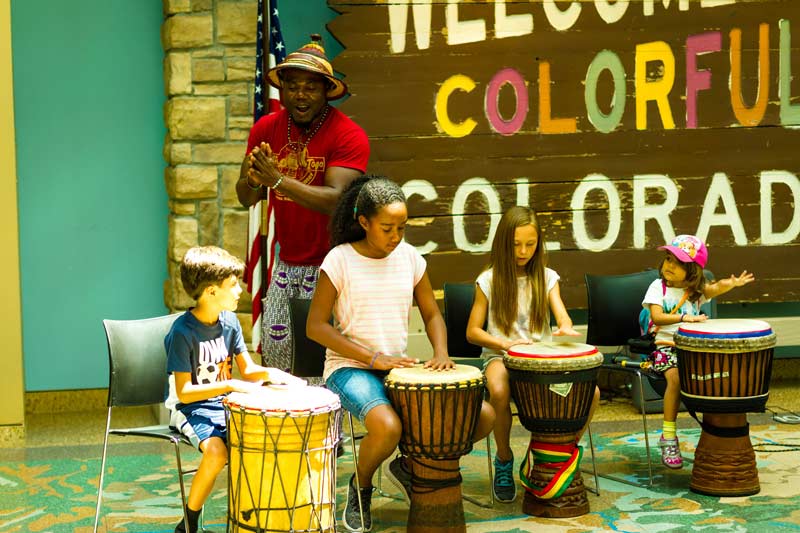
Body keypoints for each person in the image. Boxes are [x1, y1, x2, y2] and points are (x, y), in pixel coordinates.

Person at [306, 176, 495, 532]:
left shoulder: (410, 258)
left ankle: (408, 466)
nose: (396, 236)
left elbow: (432, 314)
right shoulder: (340, 260)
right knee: (388, 426)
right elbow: (316, 326)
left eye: (402, 228)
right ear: (364, 222)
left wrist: (440, 352)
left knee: (481, 416)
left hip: (399, 369)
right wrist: (373, 358)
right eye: (387, 228)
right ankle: (360, 486)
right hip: (350, 368)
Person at [236, 34, 370, 373]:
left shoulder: (348, 135)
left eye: (310, 87)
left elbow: (338, 200)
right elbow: (245, 196)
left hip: (335, 265)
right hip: (286, 263)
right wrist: (255, 178)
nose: (300, 94)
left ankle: (332, 428)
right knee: (279, 361)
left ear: (327, 90)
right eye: (292, 85)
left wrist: (278, 180)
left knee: (327, 364)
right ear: (281, 88)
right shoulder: (265, 128)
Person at [465, 206, 599, 504]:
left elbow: (562, 315)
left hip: (541, 361)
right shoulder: (488, 279)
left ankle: (556, 450)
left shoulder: (548, 277)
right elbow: (473, 332)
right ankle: (503, 458)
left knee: (593, 393)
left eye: (530, 243)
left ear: (539, 244)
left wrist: (565, 327)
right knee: (498, 389)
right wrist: (504, 345)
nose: (523, 251)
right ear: (502, 243)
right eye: (515, 244)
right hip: (501, 357)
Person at [165, 246, 302, 533]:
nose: (240, 290)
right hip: (189, 409)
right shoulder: (182, 333)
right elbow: (185, 392)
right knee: (217, 453)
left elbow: (249, 370)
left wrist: (275, 375)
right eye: (232, 285)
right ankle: (188, 522)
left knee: (264, 440)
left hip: (224, 404)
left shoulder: (229, 322)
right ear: (211, 292)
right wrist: (230, 384)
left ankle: (257, 516)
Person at [639, 234, 754, 469]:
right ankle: (668, 435)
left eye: (676, 262)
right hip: (665, 348)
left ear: (691, 271)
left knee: (722, 372)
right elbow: (657, 316)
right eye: (668, 259)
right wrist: (685, 317)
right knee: (676, 378)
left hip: (691, 350)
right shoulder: (657, 287)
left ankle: (719, 429)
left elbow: (713, 289)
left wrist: (731, 284)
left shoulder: (695, 292)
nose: (668, 265)